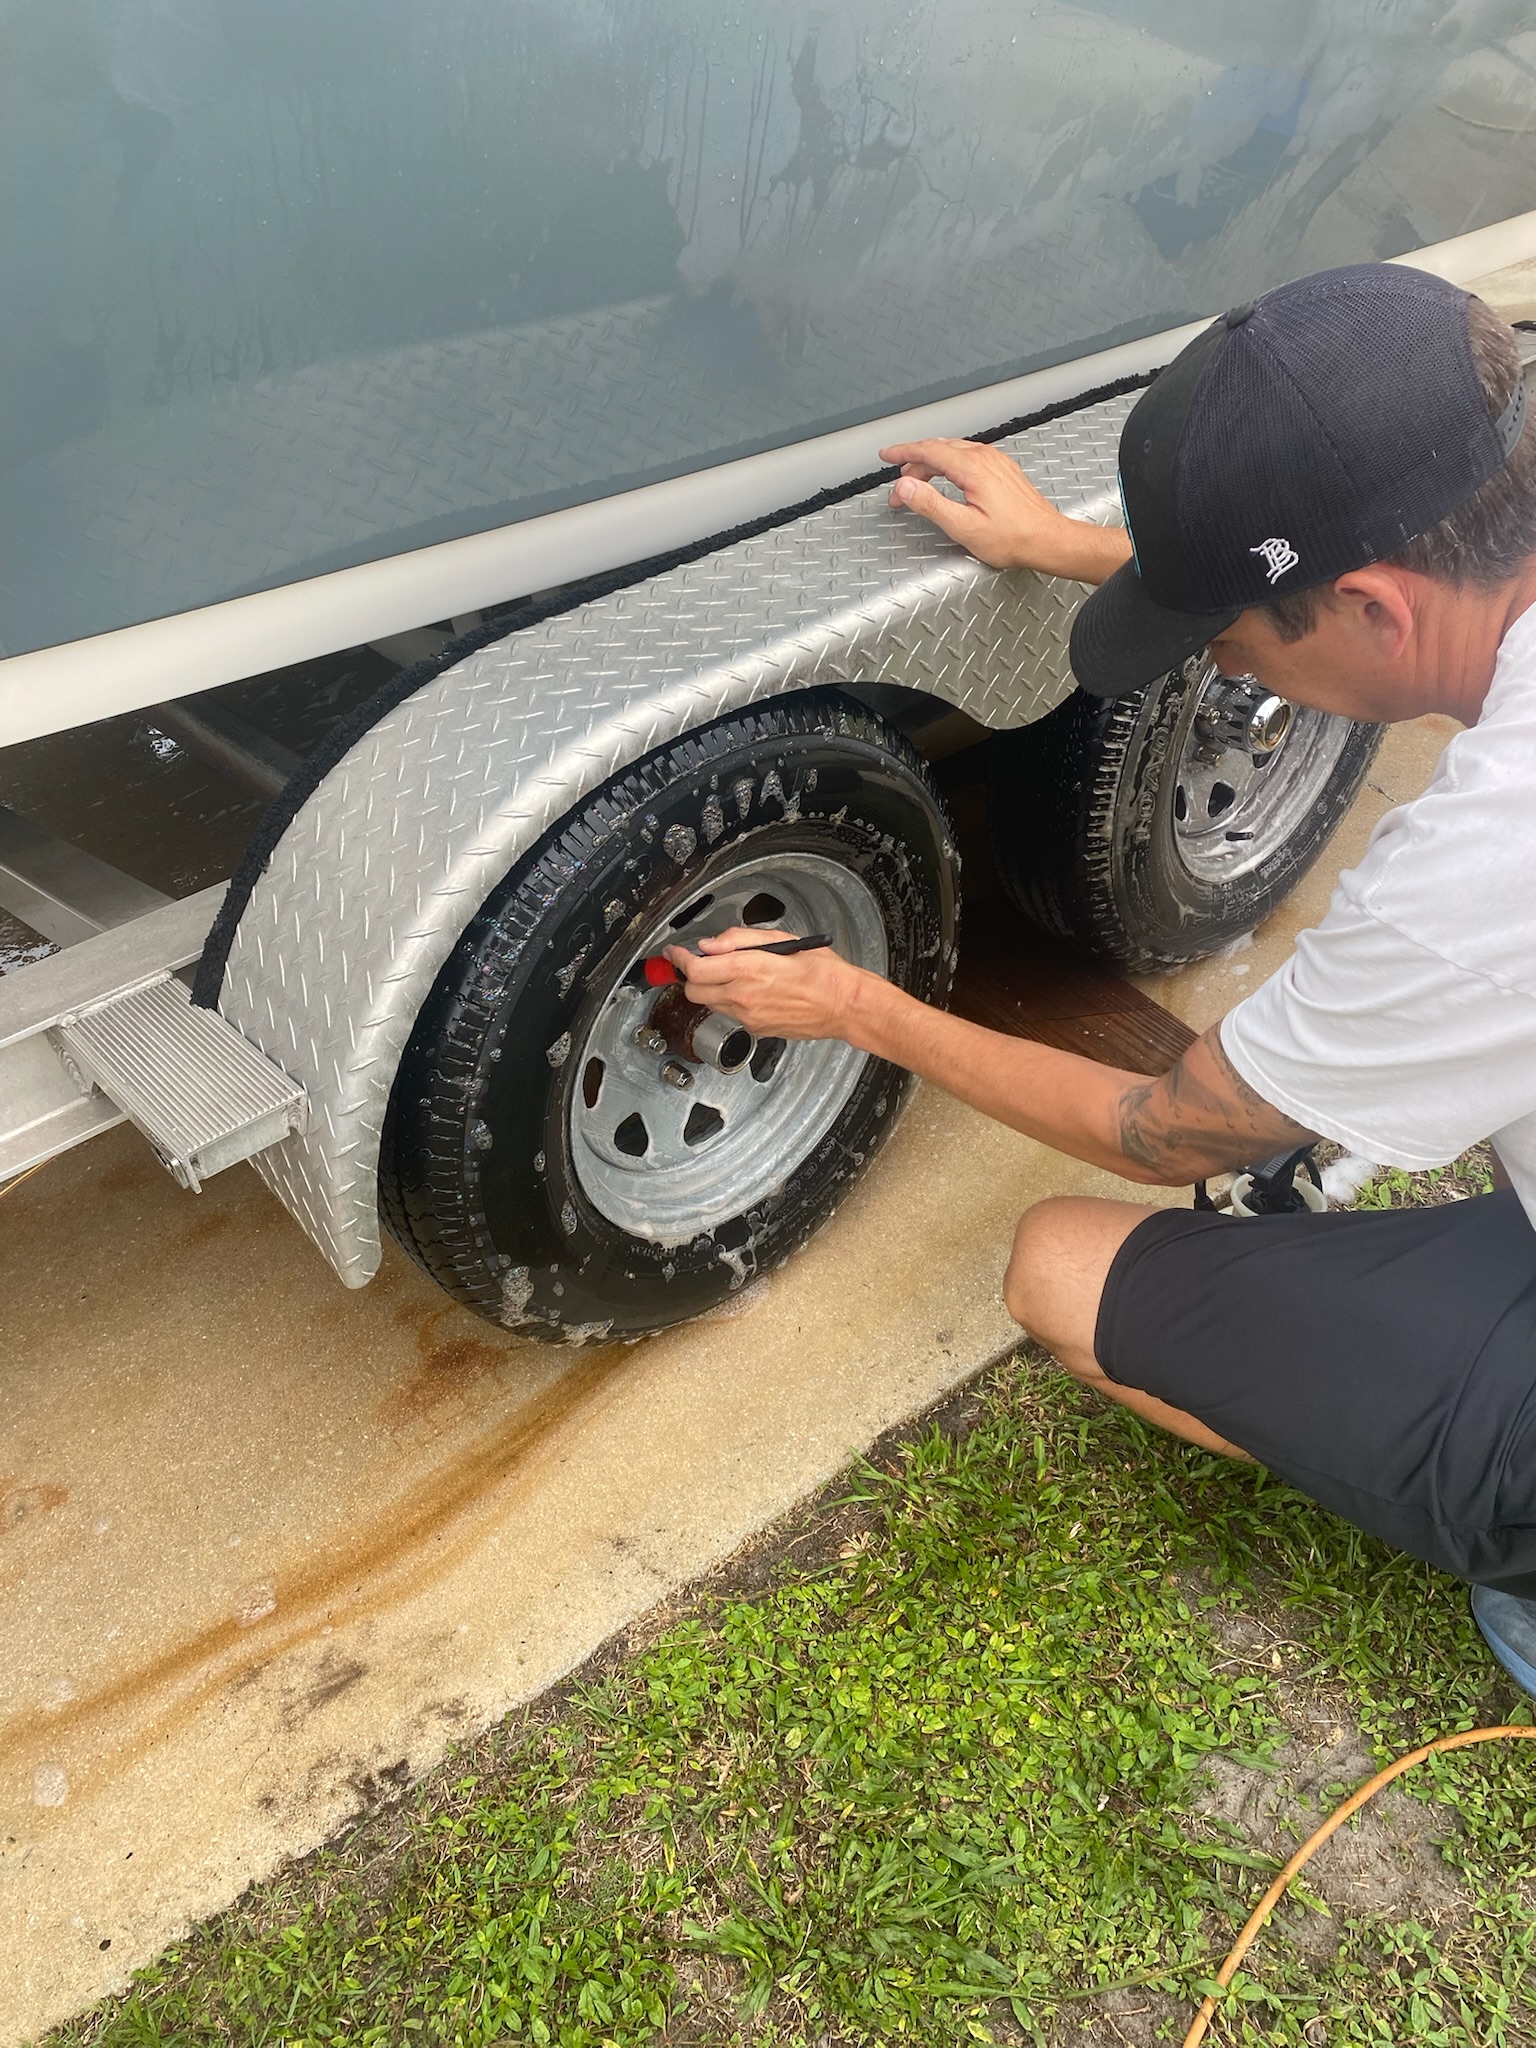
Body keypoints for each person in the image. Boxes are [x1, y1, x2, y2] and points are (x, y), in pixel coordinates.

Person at [666, 263, 1536, 1700]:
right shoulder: (1478, 541)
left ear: (1376, 606)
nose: (1215, 667)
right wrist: (1082, 550)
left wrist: (857, 1007)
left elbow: (1165, 1133)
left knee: (1062, 1267)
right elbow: (1333, 597)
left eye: (1221, 638)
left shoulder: (1481, 878)